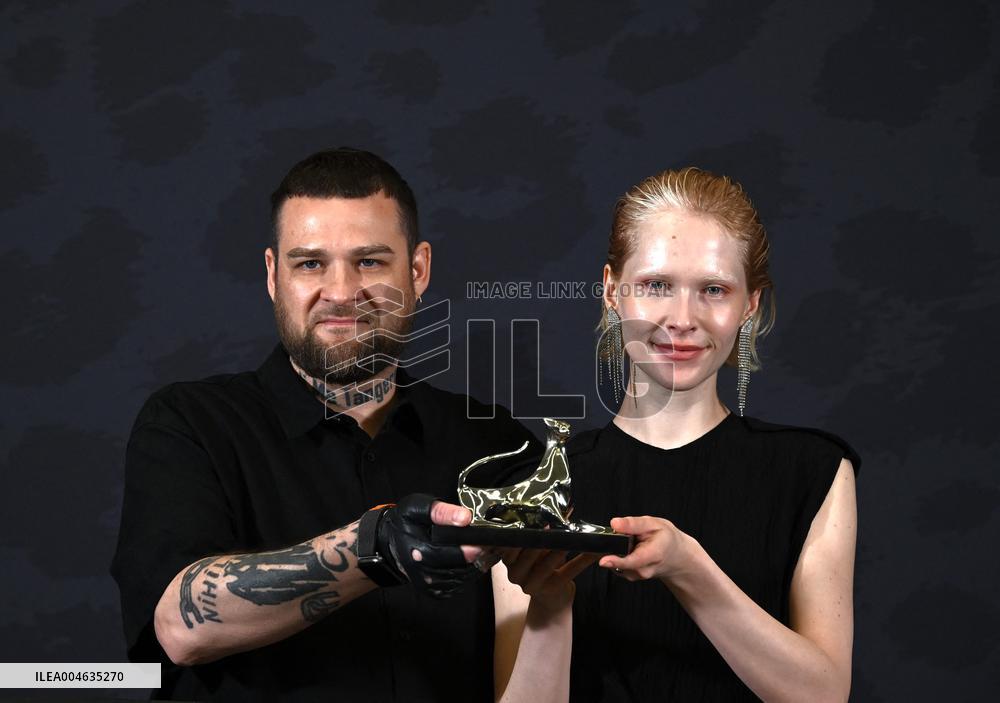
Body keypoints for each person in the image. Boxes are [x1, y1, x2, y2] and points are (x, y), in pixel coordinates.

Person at [110, 147, 543, 702]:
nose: (340, 293)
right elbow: (180, 626)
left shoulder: (496, 444)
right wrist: (375, 544)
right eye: (310, 263)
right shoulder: (190, 425)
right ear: (273, 275)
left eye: (369, 262)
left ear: (417, 270)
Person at [493, 167, 861, 702]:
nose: (682, 318)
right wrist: (550, 602)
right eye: (656, 285)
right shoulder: (531, 483)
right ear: (612, 292)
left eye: (713, 289)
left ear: (749, 306)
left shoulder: (815, 471)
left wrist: (688, 568)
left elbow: (823, 696)